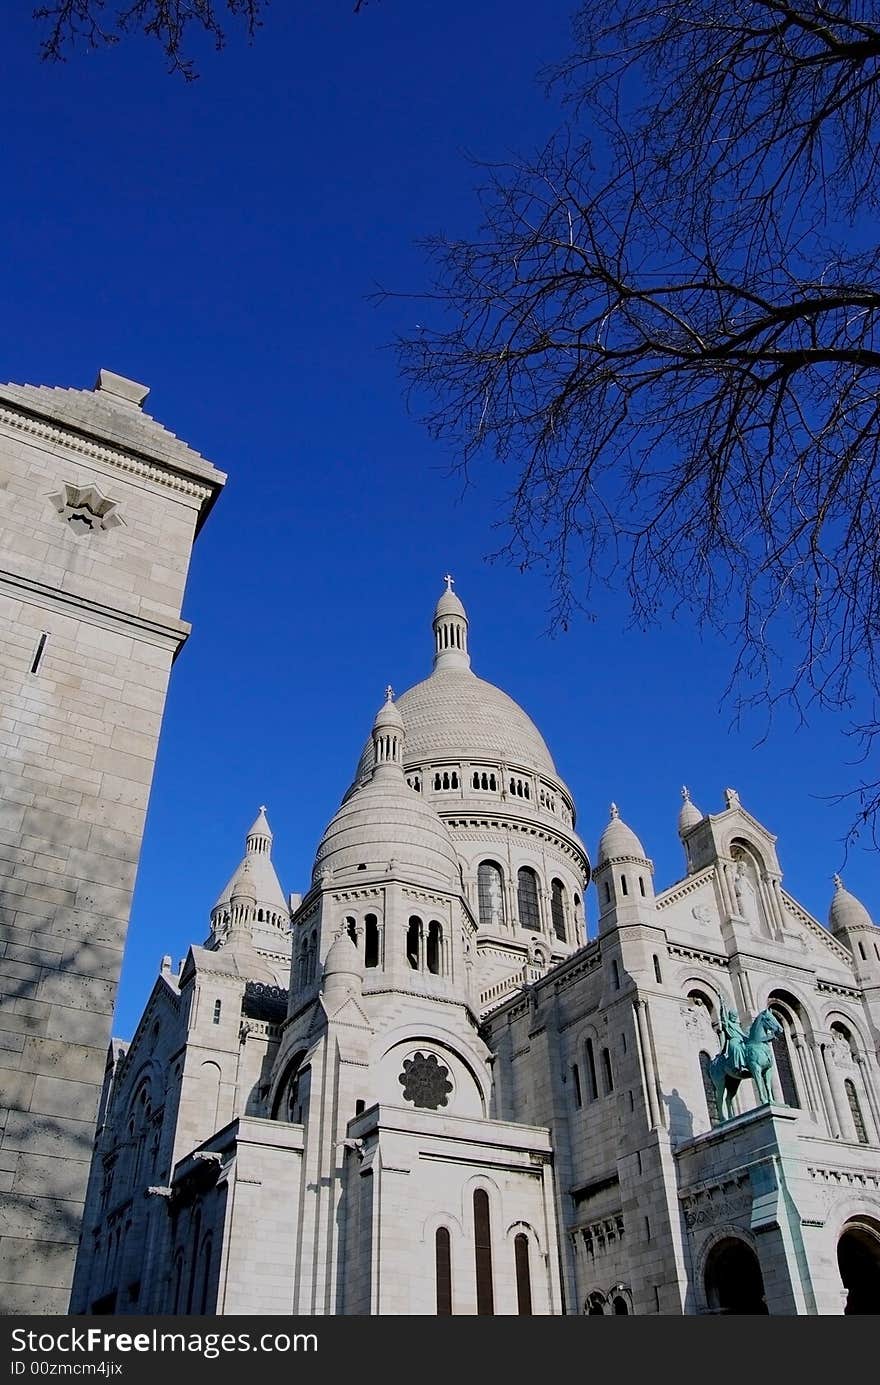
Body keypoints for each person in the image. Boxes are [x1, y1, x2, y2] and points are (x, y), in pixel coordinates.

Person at [719, 1005, 749, 1073]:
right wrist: (723, 1006)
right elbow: (724, 1018)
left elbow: (743, 1034)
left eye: (735, 1016)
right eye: (733, 1016)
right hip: (733, 1040)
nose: (734, 1018)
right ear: (730, 1016)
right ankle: (741, 1066)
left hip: (741, 1041)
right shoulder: (728, 1023)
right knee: (737, 1049)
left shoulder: (737, 1025)